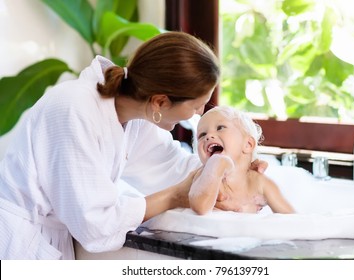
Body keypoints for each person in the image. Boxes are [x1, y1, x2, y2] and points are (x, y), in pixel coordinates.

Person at [0, 32, 266, 260]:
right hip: (17, 244)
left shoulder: (136, 116)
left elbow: (171, 165)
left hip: (47, 239)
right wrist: (175, 196)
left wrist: (236, 169)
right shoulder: (75, 111)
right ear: (160, 102)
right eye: (197, 105)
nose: (199, 114)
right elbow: (96, 225)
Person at [189, 106, 294, 215]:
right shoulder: (205, 176)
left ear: (248, 145)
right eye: (202, 135)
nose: (208, 136)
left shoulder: (259, 182)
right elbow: (200, 207)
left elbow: (292, 219)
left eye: (220, 128)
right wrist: (215, 167)